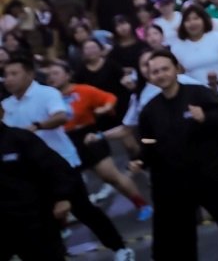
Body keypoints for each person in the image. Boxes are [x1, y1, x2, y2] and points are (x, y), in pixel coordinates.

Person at [132, 50, 218, 260]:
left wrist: (205, 117)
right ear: (150, 76)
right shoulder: (149, 110)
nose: (161, 75)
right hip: (174, 183)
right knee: (182, 238)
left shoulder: (198, 94)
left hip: (208, 176)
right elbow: (149, 144)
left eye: (165, 69)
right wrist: (140, 161)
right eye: (155, 72)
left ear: (177, 69)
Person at [1, 55, 134, 260]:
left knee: (84, 210)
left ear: (29, 73)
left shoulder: (47, 93)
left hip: (61, 166)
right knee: (43, 219)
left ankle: (119, 247)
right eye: (6, 75)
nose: (8, 79)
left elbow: (61, 116)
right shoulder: (6, 105)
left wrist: (37, 126)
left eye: (14, 73)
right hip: (30, 174)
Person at [43, 60, 152, 220]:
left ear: (67, 75)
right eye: (49, 75)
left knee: (110, 176)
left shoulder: (83, 90)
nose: (51, 77)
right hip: (63, 139)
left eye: (56, 73)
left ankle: (142, 204)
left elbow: (109, 97)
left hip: (88, 136)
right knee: (67, 184)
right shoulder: (47, 97)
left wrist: (105, 107)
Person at [0, 108, 89, 261]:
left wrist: (62, 198)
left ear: (1, 112)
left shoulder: (20, 138)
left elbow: (55, 168)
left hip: (34, 218)